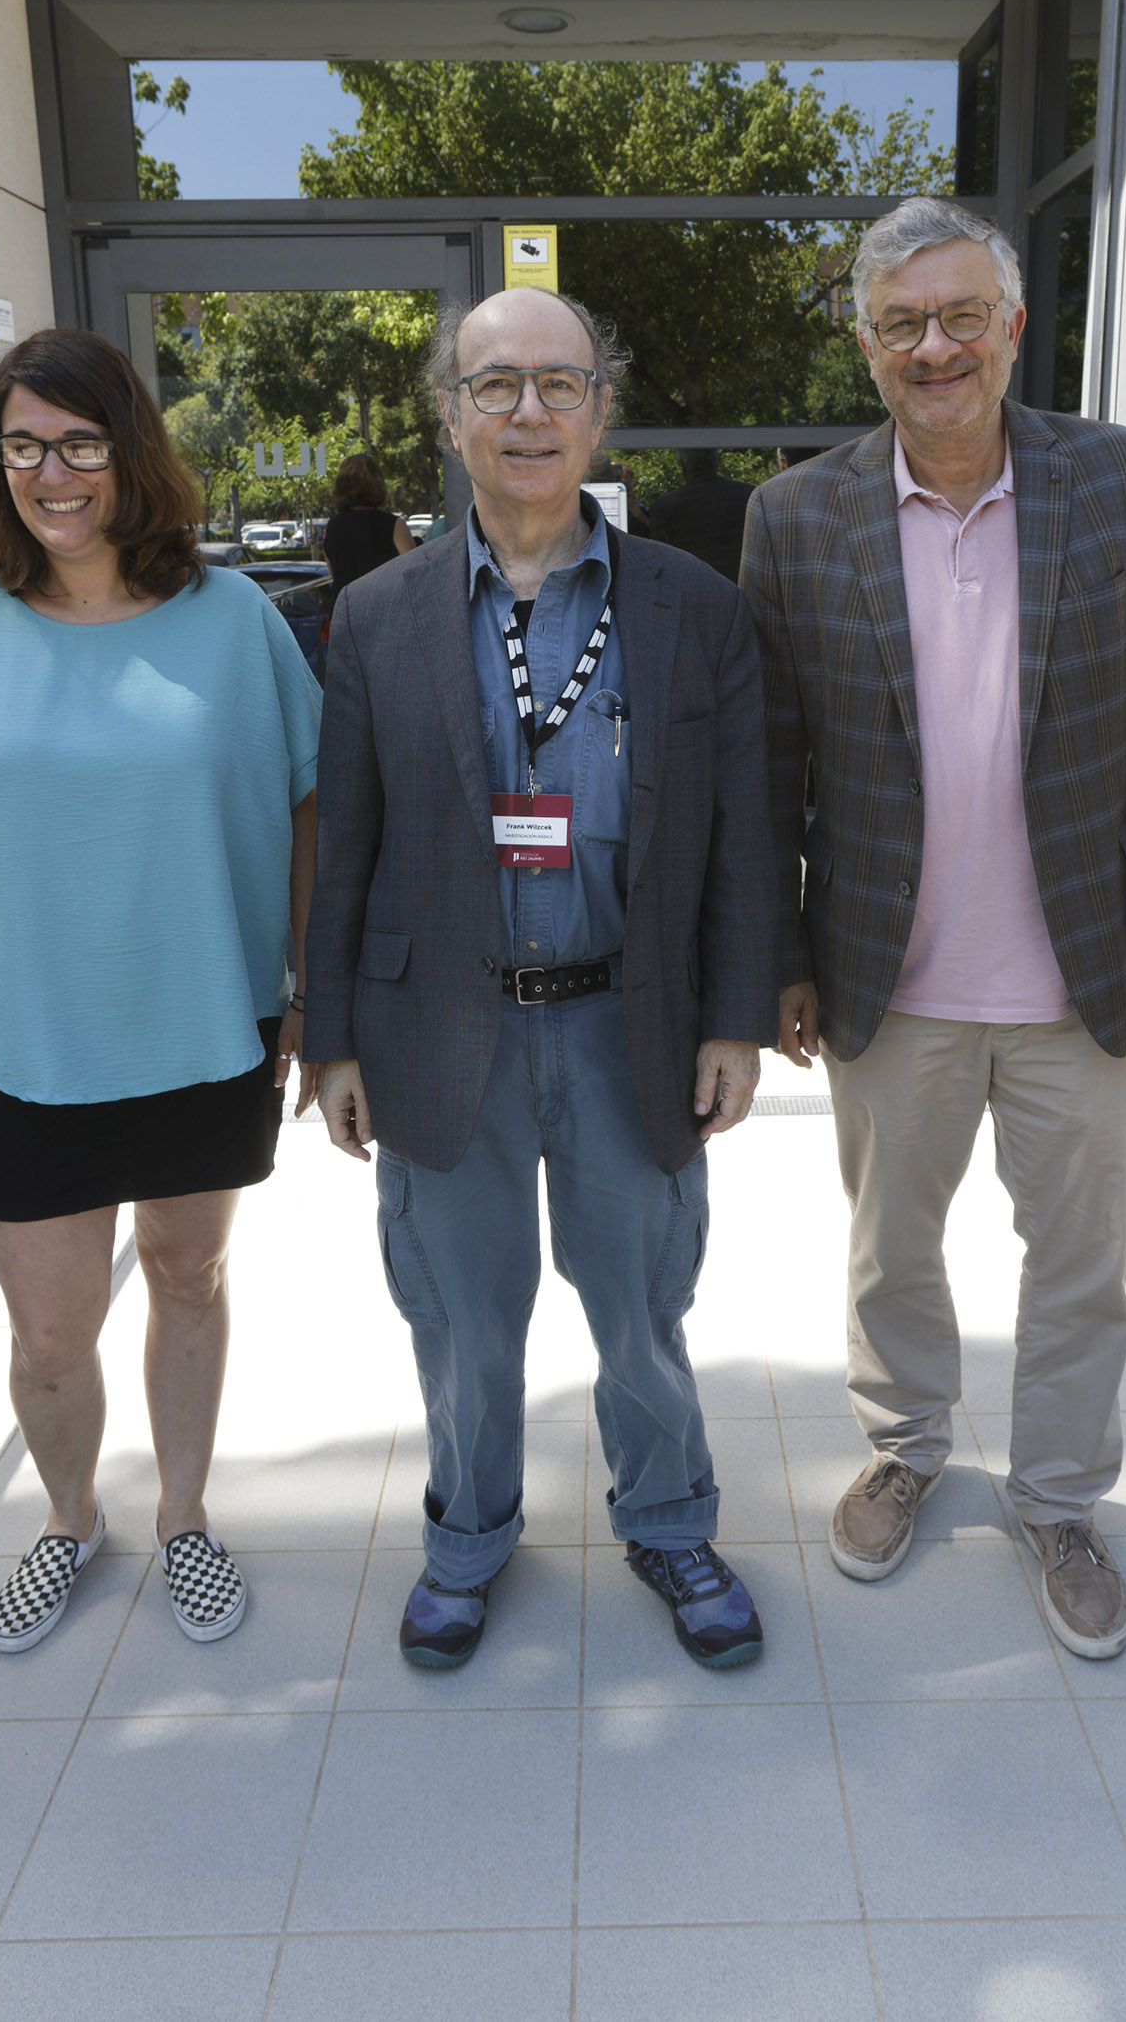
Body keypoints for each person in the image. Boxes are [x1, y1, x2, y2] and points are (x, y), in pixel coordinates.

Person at [744, 198, 1126, 1663]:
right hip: (881, 972)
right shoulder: (795, 515)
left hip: (1076, 966)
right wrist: (771, 952)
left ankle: (1060, 1498)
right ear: (865, 342)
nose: (934, 345)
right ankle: (904, 1443)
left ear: (1013, 324)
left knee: (1077, 1261)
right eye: (901, 321)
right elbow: (769, 760)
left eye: (962, 314)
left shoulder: (1117, 482)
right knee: (889, 1247)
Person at [301, 287, 774, 1672]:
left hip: (627, 1019)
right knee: (460, 1310)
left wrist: (736, 1015)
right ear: (449, 415)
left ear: (599, 410)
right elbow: (345, 843)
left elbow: (744, 832)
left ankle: (669, 1516)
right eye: (494, 385)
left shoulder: (692, 606)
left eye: (557, 384)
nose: (526, 411)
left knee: (638, 1298)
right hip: (437, 1027)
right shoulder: (375, 613)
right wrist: (328, 1036)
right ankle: (466, 1533)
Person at [0, 328, 321, 1657]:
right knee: (51, 1328)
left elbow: (306, 806)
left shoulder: (233, 620)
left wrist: (302, 990)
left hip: (203, 1021)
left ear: (132, 452)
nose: (50, 471)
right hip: (24, 1040)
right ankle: (69, 1517)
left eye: (78, 442)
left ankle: (183, 1515)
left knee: (189, 1270)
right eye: (22, 444)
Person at [639, 447, 753, 583]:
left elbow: (660, 558)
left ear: (682, 464)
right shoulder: (748, 496)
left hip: (691, 588)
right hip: (741, 587)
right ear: (718, 461)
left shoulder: (667, 505)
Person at [325, 452, 411, 589]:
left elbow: (334, 570)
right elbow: (413, 570)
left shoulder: (333, 526)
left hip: (344, 605)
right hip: (384, 603)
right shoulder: (395, 525)